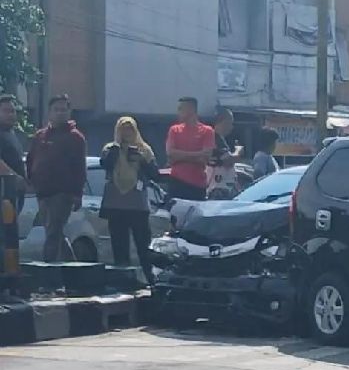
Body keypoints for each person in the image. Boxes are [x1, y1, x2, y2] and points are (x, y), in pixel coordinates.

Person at [26, 94, 87, 263]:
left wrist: (78, 194)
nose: (60, 113)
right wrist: (31, 180)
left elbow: (80, 168)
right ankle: (74, 270)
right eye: (56, 109)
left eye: (63, 109)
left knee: (53, 233)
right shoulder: (40, 136)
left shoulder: (76, 137)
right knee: (55, 232)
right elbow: (31, 159)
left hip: (63, 193)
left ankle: (49, 277)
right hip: (42, 192)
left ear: (69, 112)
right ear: (49, 112)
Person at [99, 117, 158, 284]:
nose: (126, 133)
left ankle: (151, 279)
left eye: (129, 129)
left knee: (144, 245)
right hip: (116, 202)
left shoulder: (145, 149)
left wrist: (141, 159)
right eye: (123, 129)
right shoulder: (110, 148)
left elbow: (154, 174)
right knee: (119, 245)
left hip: (137, 203)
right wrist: (117, 148)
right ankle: (123, 280)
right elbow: (105, 164)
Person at [166, 96, 214, 201]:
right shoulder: (174, 130)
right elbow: (170, 154)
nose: (178, 112)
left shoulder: (207, 131)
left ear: (191, 110)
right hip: (176, 181)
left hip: (197, 184)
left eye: (181, 109)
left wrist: (180, 157)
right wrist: (197, 154)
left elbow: (205, 157)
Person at [206, 107, 242, 200]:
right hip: (217, 188)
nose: (231, 127)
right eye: (230, 123)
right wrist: (238, 151)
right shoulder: (215, 138)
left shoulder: (217, 138)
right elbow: (228, 160)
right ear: (222, 120)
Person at [0, 95, 26, 214]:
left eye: (13, 111)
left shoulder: (11, 134)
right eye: (6, 111)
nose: (10, 114)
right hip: (4, 192)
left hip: (13, 195)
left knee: (11, 229)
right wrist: (14, 177)